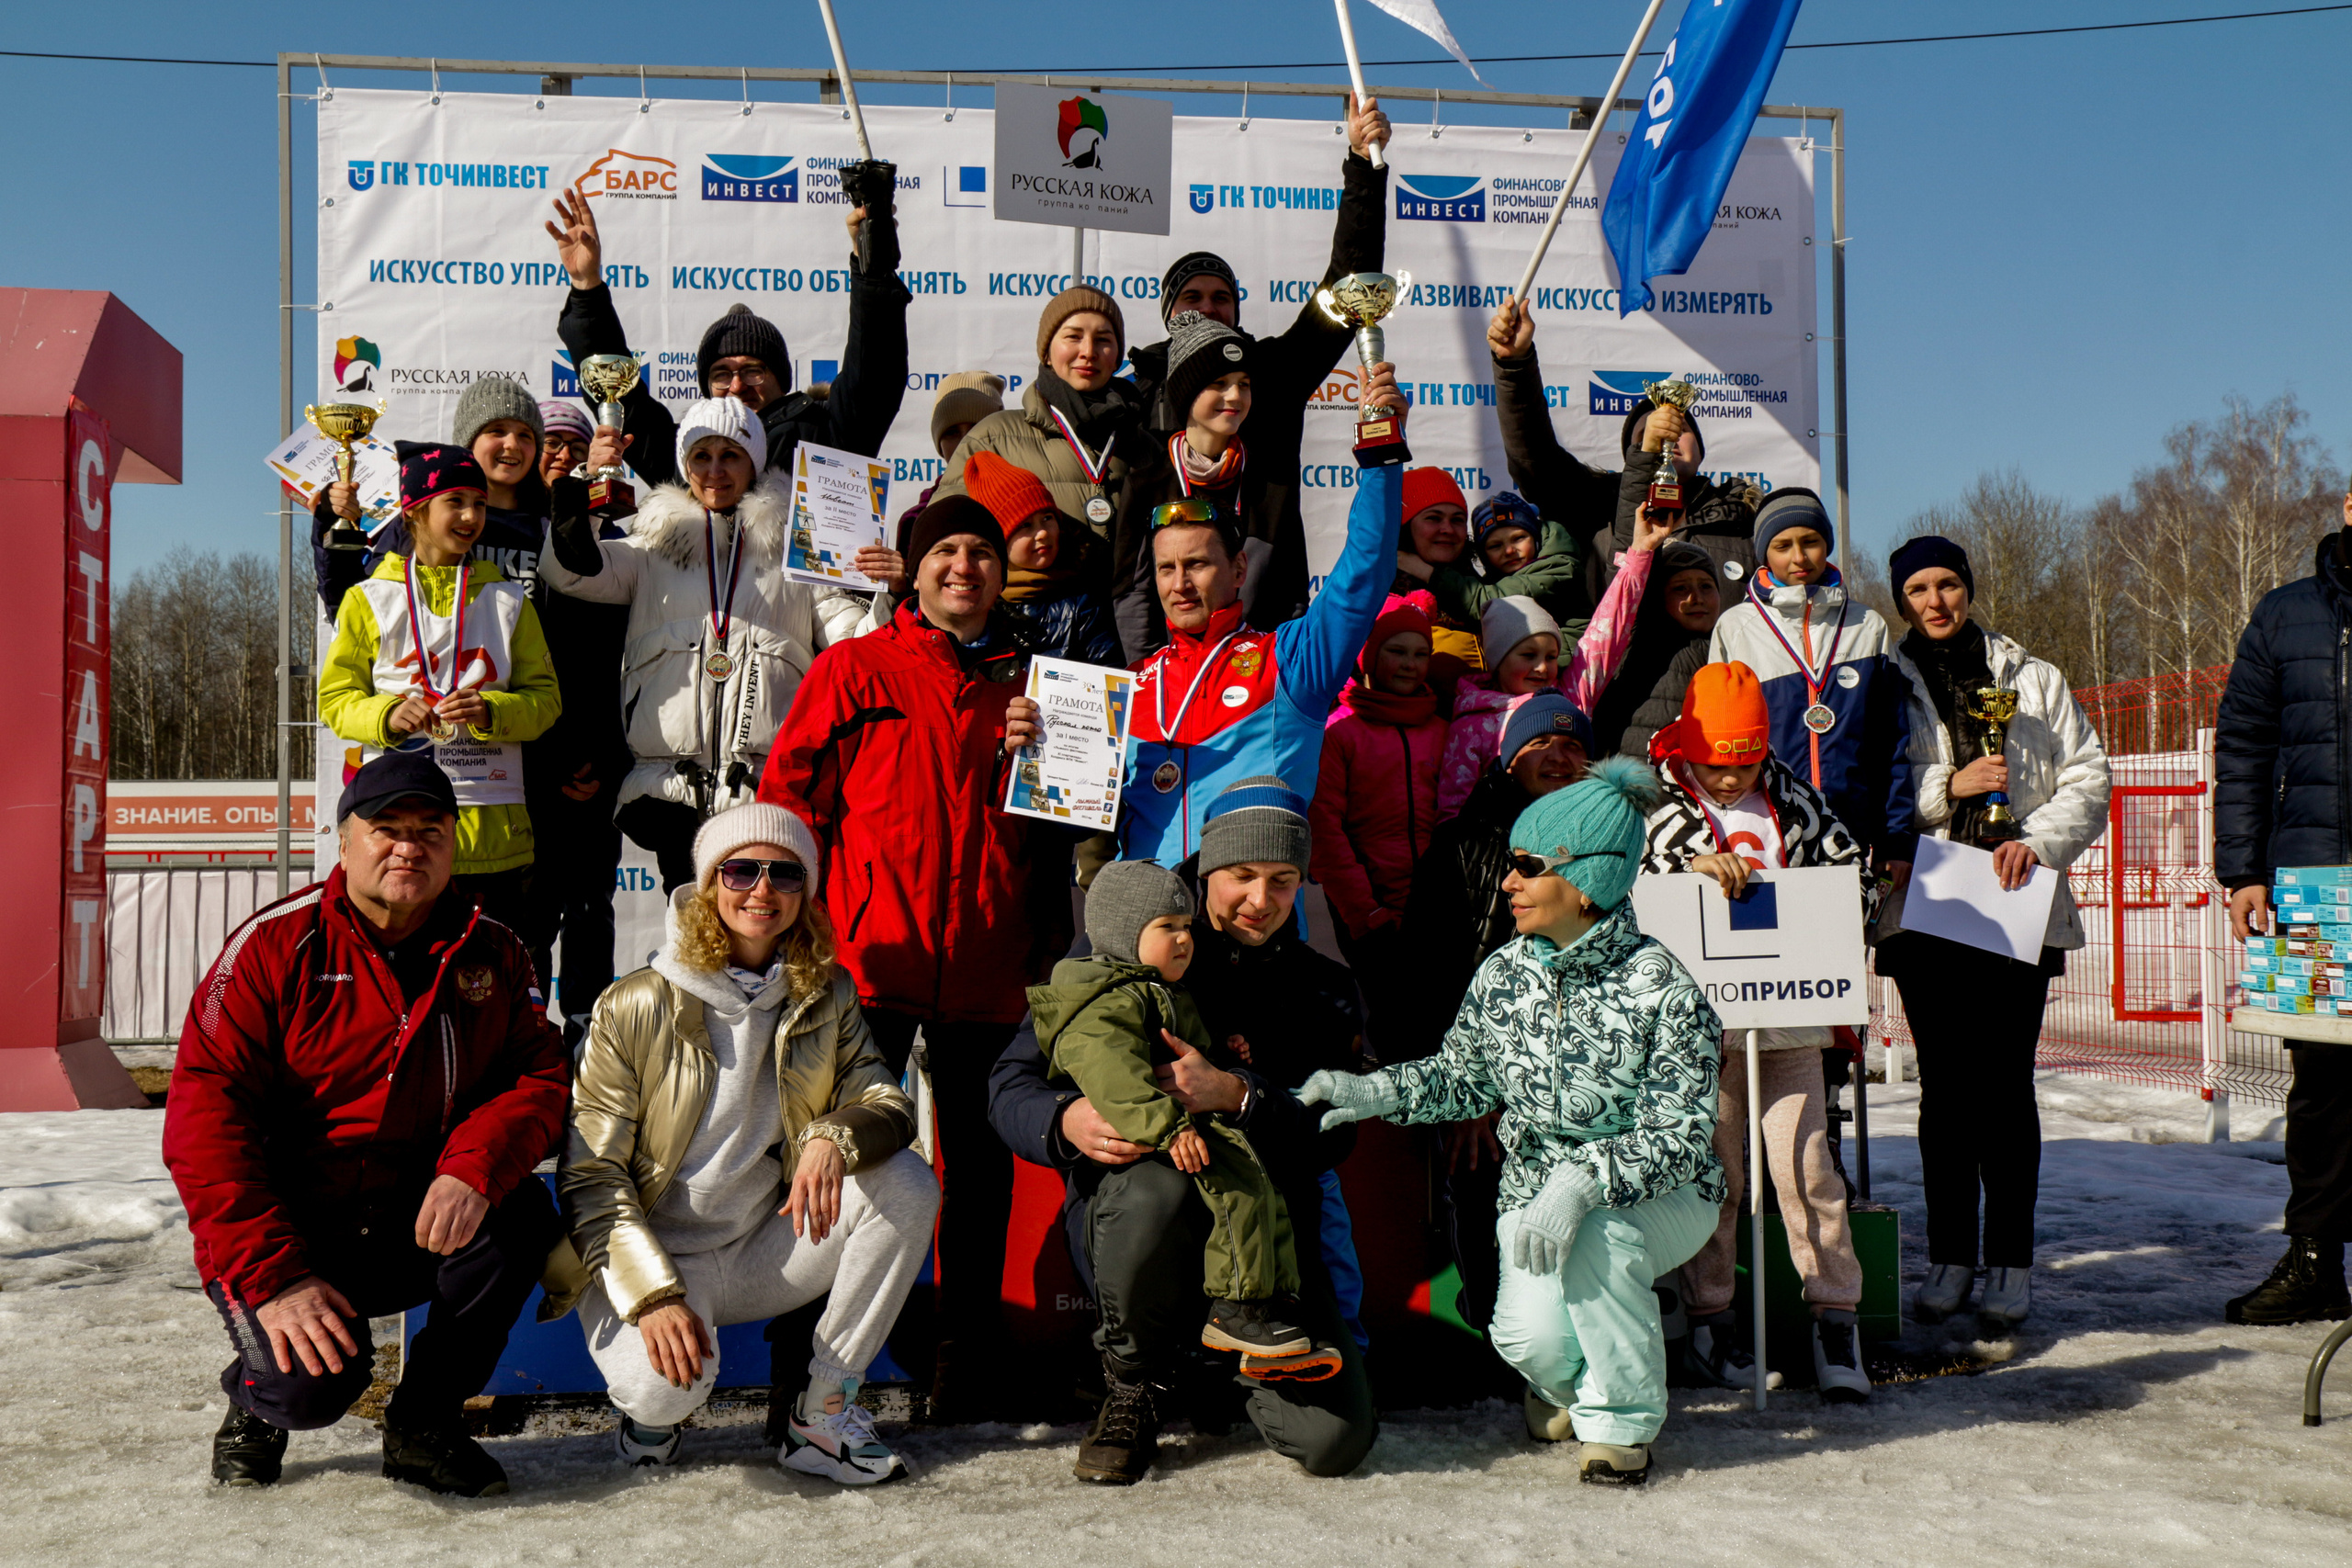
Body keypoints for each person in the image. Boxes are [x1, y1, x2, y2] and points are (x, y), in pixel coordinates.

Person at [1302, 759, 1724, 1486]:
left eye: (1528, 867)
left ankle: (1620, 1427)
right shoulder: (1504, 972)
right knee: (1526, 1338)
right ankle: (1570, 1388)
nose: (1508, 882)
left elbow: (1682, 1132)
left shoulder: (1664, 985)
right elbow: (1461, 1078)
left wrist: (1585, 1182)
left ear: (1589, 878)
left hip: (1665, 1195)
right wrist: (1373, 1091)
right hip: (1532, 1190)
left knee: (1601, 1235)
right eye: (1510, 864)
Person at [163, 752, 568, 1495]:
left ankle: (423, 1425)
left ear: (455, 844)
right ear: (343, 840)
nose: (408, 846)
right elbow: (203, 1121)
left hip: (414, 1219)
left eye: (430, 829)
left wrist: (474, 1166)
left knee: (518, 1216)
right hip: (290, 1232)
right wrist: (276, 1275)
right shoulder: (271, 947)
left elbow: (539, 1078)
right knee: (314, 1386)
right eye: (386, 828)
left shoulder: (498, 951)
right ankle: (257, 1404)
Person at [758, 494, 1054, 1418]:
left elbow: (1070, 826)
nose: (963, 566)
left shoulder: (1041, 689)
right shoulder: (855, 668)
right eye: (945, 552)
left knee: (980, 1180)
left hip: (985, 967)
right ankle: (797, 1379)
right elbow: (789, 799)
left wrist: (1042, 761)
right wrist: (796, 932)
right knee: (830, 1167)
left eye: (981, 553)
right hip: (866, 963)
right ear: (914, 571)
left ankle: (961, 1373)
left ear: (1001, 576)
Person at [989, 783, 1375, 1484]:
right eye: (1241, 877)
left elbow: (1334, 1134)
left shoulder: (1322, 986)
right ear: (1206, 876)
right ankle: (1132, 1382)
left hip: (1263, 1239)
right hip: (1146, 1211)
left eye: (1282, 881)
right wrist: (1066, 1118)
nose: (1260, 898)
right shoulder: (1123, 941)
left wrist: (1238, 1095)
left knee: (1335, 1442)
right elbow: (1009, 1087)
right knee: (1155, 1187)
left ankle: (1223, 1358)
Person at [544, 802, 937, 1483]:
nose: (763, 889)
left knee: (906, 1180)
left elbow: (887, 1104)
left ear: (805, 893)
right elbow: (591, 1175)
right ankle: (649, 1421)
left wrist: (832, 1137)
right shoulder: (634, 1003)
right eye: (741, 869)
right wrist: (652, 1293)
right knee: (666, 1389)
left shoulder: (827, 992)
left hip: (763, 1244)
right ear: (707, 885)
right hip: (658, 1251)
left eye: (785, 874)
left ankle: (823, 1410)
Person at [1870, 536, 2110, 1331]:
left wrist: (2034, 843)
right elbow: (1873, 782)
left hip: (2016, 896)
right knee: (1946, 1089)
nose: (1935, 601)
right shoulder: (1883, 680)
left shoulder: (2032, 677)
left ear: (1968, 589)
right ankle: (1950, 1255)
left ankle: (2009, 1259)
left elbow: (2087, 775)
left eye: (1948, 585)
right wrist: (1948, 786)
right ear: (1902, 599)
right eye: (1919, 589)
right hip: (1927, 903)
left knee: (2006, 1087)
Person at [538, 398, 892, 892]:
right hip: (669, 790)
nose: (715, 470)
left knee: (757, 930)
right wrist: (585, 488)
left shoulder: (799, 551)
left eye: (731, 455)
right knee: (687, 930)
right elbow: (572, 572)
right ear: (685, 465)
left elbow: (857, 644)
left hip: (763, 789)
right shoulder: (652, 543)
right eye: (701, 456)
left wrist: (889, 592)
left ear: (754, 462)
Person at [1640, 662, 1873, 1399]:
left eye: (1746, 762)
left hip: (1787, 1018)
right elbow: (1632, 887)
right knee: (1717, 1172)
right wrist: (1688, 871)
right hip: (1700, 1026)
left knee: (1806, 1167)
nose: (1733, 778)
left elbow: (1851, 877)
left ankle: (1835, 1315)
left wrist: (1826, 911)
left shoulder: (1792, 796)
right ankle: (1713, 1317)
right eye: (1717, 763)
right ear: (1688, 747)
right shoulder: (1656, 802)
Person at [1032, 858, 1318, 1366]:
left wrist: (1228, 1059)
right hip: (1144, 1148)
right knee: (1205, 1193)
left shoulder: (1164, 990)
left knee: (1255, 1186)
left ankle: (1263, 1300)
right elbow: (1114, 1076)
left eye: (1187, 927)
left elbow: (1188, 1048)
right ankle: (1220, 1315)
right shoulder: (1100, 1002)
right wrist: (1168, 1128)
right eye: (1168, 928)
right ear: (1124, 933)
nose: (1185, 940)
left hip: (1190, 1127)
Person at [1120, 366, 1408, 865]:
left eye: (1197, 565)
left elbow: (1365, 572)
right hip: (1156, 932)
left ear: (1237, 570)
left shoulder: (1291, 661)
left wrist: (1380, 449)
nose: (1179, 584)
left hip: (1254, 923)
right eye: (1167, 568)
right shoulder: (1127, 689)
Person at [1125, 94, 1393, 626]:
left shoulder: (1273, 371)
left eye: (1220, 297)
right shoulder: (1134, 393)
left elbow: (1348, 284)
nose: (1207, 308)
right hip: (1161, 631)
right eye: (1191, 298)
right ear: (1167, 313)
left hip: (1268, 619)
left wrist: (1363, 165)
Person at [1397, 694, 1591, 1341]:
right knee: (1489, 1194)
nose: (1559, 757)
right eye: (1542, 745)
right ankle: (1498, 1339)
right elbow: (1427, 981)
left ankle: (1572, 1351)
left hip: (1585, 1077)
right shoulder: (1460, 848)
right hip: (1488, 1084)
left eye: (1573, 747)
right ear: (1509, 760)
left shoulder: (1610, 854)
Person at [316, 442, 561, 937]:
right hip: (402, 840)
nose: (472, 516)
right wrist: (386, 715)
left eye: (480, 503)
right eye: (456, 502)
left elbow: (546, 701)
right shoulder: (369, 599)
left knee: (496, 994)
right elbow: (336, 700)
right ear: (416, 511)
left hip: (494, 838)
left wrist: (493, 709)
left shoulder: (508, 600)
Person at [544, 172, 909, 491]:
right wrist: (586, 287)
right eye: (721, 374)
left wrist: (871, 269)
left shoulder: (827, 433)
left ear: (781, 379)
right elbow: (619, 394)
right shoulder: (682, 452)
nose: (736, 386)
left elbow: (874, 372)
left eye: (753, 370)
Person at [2218, 488, 2352, 1325]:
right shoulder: (2285, 614)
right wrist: (2244, 871)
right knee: (2323, 1087)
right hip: (2311, 888)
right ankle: (2314, 1260)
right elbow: (2244, 744)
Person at [1710, 489, 1916, 879]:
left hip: (1849, 832)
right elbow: (1717, 743)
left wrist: (1894, 839)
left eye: (1811, 542)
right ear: (1763, 554)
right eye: (1782, 545)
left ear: (1828, 545)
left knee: (1842, 939)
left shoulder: (1866, 624)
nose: (1799, 557)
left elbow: (1891, 743)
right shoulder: (1736, 626)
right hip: (1766, 830)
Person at [1433, 507, 1673, 820]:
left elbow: (1609, 628)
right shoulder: (1471, 724)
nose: (1543, 667)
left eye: (1549, 656)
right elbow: (1452, 813)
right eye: (1527, 656)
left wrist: (1640, 553)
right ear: (1497, 660)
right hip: (1502, 861)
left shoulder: (1570, 695)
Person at [524, 399, 631, 1032]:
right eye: (550, 443)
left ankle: (588, 1029)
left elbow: (619, 666)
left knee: (593, 904)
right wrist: (550, 754)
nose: (561, 455)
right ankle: (529, 1031)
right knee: (533, 911)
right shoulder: (500, 536)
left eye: (573, 444)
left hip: (595, 758)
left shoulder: (614, 544)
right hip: (527, 759)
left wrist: (603, 758)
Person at [1109, 311, 1291, 654]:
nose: (1235, 396)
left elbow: (1290, 593)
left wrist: (1270, 668)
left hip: (1255, 671)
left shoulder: (1272, 484)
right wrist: (1154, 672)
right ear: (1186, 393)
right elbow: (1131, 595)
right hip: (1171, 674)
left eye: (1244, 384)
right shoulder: (1147, 483)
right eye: (1218, 384)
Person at [1309, 593, 1445, 1051]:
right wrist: (1365, 913)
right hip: (1369, 914)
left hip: (1433, 911)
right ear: (1368, 656)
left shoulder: (1441, 729)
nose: (1410, 664)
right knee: (1392, 1030)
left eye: (1420, 654)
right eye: (1397, 651)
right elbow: (1325, 830)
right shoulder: (1340, 732)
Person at [933, 287, 1146, 570]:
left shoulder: (1145, 447)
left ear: (1118, 356)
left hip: (1129, 613)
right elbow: (945, 543)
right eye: (1073, 337)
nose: (1088, 351)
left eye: (1103, 339)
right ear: (1046, 352)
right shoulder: (993, 438)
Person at [312, 375, 550, 615]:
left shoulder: (550, 527)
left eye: (525, 435)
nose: (512, 444)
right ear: (468, 441)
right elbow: (357, 610)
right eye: (496, 431)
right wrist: (333, 523)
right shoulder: (420, 522)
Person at [963, 449, 1122, 664]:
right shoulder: (978, 605)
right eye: (1025, 525)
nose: (1043, 533)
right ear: (998, 542)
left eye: (1047, 518)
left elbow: (1109, 675)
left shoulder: (1083, 600)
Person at [1589, 539, 1723, 760]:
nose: (1696, 598)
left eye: (1706, 586)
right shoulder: (1639, 638)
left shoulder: (1734, 647)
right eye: (1680, 588)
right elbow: (1626, 579)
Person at [1396, 490, 1586, 645]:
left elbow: (1489, 604)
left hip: (1571, 670)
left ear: (1536, 537)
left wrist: (1425, 571)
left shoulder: (1557, 567)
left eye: (1519, 538)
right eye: (1495, 546)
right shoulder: (1492, 579)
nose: (1510, 550)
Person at [1390, 468, 1486, 693]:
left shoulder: (1485, 588)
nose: (1447, 529)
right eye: (1433, 518)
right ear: (1406, 527)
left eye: (1457, 520)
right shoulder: (1379, 591)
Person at [893, 373, 1008, 551]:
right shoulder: (917, 518)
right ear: (939, 444)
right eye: (952, 432)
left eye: (978, 429)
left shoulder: (1033, 500)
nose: (966, 441)